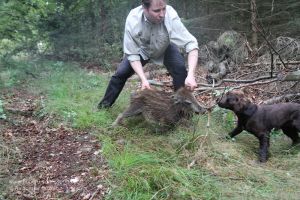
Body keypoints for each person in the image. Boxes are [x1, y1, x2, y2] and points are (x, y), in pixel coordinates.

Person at [98, 0, 199, 109]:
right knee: (120, 74)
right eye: (156, 11)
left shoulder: (170, 15)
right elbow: (132, 55)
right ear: (144, 8)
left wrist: (191, 75)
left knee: (180, 70)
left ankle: (181, 111)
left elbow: (191, 43)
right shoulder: (133, 20)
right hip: (142, 50)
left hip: (166, 47)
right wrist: (143, 79)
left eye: (164, 9)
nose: (162, 14)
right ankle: (104, 107)